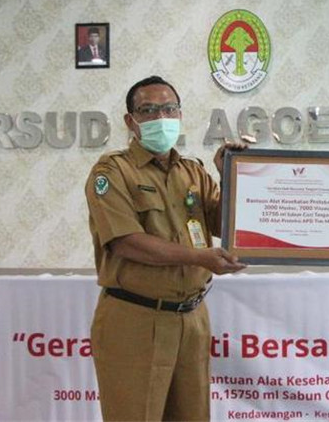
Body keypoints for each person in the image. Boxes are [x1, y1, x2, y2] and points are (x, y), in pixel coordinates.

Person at [85, 75, 247, 421]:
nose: (161, 117)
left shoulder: (193, 172)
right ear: (131, 121)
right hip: (135, 319)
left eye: (169, 109)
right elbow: (127, 243)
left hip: (192, 317)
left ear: (180, 114)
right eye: (148, 110)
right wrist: (200, 257)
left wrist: (232, 174)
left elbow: (226, 225)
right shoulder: (112, 172)